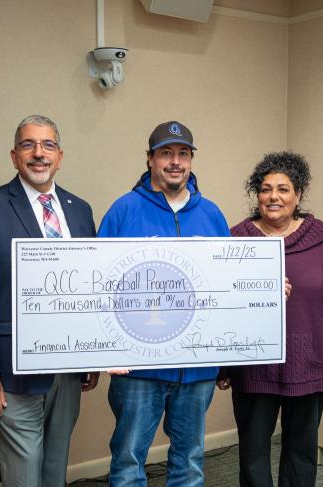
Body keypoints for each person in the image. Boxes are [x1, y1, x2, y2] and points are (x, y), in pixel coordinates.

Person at [0, 115, 98, 487]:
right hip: (12, 371)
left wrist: (93, 355)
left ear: (60, 156)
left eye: (48, 145)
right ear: (14, 156)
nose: (39, 154)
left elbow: (91, 288)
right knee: (24, 474)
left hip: (67, 371)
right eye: (28, 145)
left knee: (55, 469)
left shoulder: (80, 210)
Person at [97, 121, 230, 486]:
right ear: (150, 159)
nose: (175, 162)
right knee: (128, 463)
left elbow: (227, 286)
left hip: (196, 368)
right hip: (139, 369)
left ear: (191, 159)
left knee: (189, 462)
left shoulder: (212, 214)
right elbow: (98, 287)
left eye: (183, 154)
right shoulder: (123, 211)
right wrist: (108, 348)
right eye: (166, 153)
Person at [217, 151, 323, 487]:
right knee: (252, 452)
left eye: (283, 189)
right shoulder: (235, 239)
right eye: (266, 189)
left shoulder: (321, 239)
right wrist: (220, 366)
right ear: (257, 195)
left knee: (301, 451)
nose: (273, 197)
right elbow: (219, 305)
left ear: (298, 195)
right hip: (252, 365)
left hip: (309, 363)